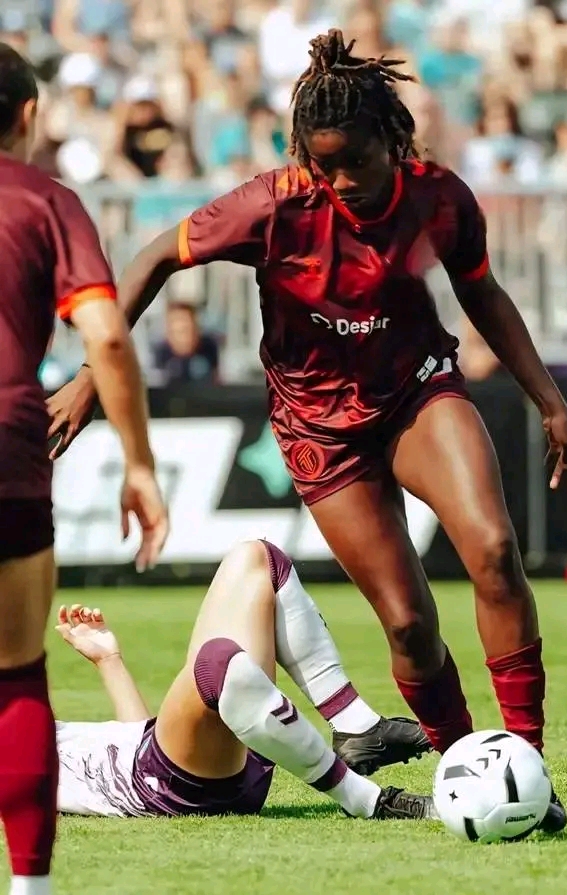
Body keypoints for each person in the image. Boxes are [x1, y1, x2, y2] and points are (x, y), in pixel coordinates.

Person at [47, 29, 567, 834]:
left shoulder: (440, 197)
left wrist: (549, 401)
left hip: (417, 392)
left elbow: (483, 295)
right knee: (410, 626)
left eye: (356, 161)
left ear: (395, 139)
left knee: (489, 549)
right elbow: (148, 261)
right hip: (319, 430)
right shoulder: (270, 204)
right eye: (322, 163)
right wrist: (90, 376)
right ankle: (466, 767)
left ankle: (528, 762)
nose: (340, 180)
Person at [0, 42, 168, 895]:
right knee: (18, 672)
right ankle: (30, 887)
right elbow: (104, 335)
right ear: (27, 117)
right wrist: (138, 462)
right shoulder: (46, 201)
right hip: (9, 444)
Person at [53, 539, 433, 820]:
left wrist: (110, 662)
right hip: (164, 787)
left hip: (170, 757)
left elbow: (129, 737)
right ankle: (365, 800)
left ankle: (357, 726)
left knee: (258, 559)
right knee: (215, 662)